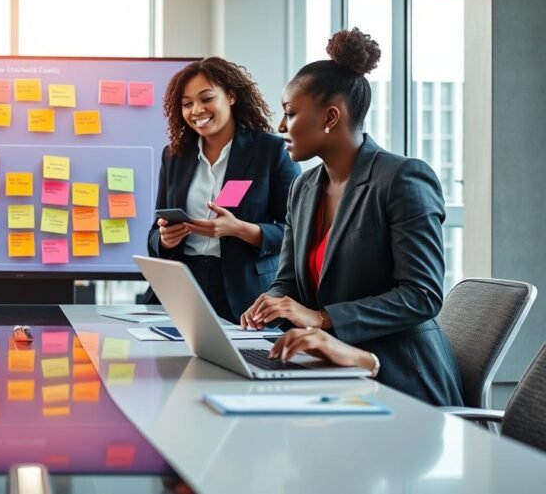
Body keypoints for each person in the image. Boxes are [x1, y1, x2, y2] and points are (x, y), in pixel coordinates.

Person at [242, 28, 463, 406]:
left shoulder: (403, 178)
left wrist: (323, 319)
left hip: (400, 374)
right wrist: (272, 303)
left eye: (290, 114)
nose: (281, 127)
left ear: (330, 117)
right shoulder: (304, 187)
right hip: (329, 369)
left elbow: (422, 295)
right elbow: (288, 281)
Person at [145, 58, 300, 321]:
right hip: (183, 286)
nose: (196, 110)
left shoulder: (270, 151)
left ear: (231, 96)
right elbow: (154, 231)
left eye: (206, 99)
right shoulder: (174, 156)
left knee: (245, 361)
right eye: (187, 104)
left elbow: (297, 232)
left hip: (245, 291)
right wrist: (164, 239)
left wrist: (240, 229)